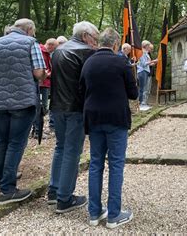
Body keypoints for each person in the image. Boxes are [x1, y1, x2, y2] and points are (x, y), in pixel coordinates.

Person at [80, 27, 138, 229]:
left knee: (95, 164)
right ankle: (114, 215)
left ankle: (94, 213)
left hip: (93, 118)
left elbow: (82, 90)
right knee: (116, 165)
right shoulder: (120, 62)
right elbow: (133, 93)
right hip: (116, 119)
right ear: (115, 44)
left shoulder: (88, 62)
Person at [0, 18, 47, 205]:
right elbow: (38, 72)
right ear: (29, 30)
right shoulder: (30, 43)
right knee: (16, 143)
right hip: (22, 100)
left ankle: (0, 179)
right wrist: (45, 74)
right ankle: (7, 189)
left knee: (1, 141)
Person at [47, 21, 99, 213]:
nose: (95, 42)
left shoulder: (59, 50)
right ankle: (64, 198)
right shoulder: (87, 52)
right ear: (85, 36)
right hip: (76, 107)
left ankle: (54, 190)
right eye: (94, 38)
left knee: (60, 147)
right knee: (72, 151)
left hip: (57, 106)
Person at [34, 38, 58, 136]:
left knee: (42, 107)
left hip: (44, 83)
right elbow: (39, 69)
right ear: (50, 45)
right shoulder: (41, 52)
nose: (55, 50)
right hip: (42, 84)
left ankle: (37, 130)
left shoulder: (44, 52)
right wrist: (48, 74)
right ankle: (37, 131)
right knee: (41, 107)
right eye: (55, 48)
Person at [137, 40, 157, 110]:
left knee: (144, 88)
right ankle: (140, 104)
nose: (149, 47)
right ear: (145, 46)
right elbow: (143, 64)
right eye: (148, 46)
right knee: (142, 88)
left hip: (146, 71)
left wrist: (154, 63)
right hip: (142, 71)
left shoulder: (146, 53)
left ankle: (143, 103)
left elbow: (148, 64)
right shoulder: (141, 52)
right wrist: (153, 61)